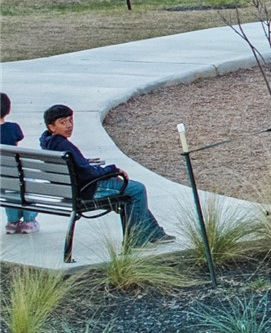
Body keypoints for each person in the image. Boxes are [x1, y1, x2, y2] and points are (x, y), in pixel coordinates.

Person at [37, 105, 168, 246]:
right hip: (88, 189)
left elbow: (79, 167)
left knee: (132, 191)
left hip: (70, 189)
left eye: (70, 120)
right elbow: (88, 173)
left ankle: (154, 233)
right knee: (137, 190)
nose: (69, 125)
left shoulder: (48, 143)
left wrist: (90, 164)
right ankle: (137, 241)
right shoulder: (64, 146)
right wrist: (112, 170)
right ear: (52, 127)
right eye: (63, 122)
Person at [2, 93, 34, 234]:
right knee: (26, 185)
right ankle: (28, 221)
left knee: (9, 189)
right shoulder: (13, 128)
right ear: (8, 110)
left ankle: (12, 222)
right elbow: (17, 139)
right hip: (13, 171)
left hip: (2, 177)